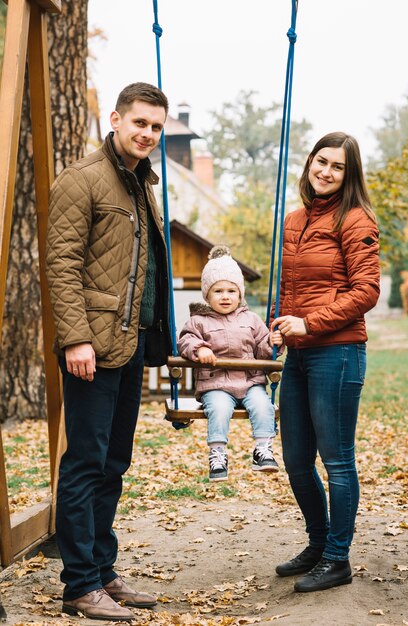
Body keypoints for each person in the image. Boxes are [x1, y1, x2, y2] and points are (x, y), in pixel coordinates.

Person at [46, 82, 172, 621]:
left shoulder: (142, 184)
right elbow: (62, 265)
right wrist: (75, 338)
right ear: (117, 120)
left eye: (156, 127)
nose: (147, 133)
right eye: (139, 122)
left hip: (130, 344)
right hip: (92, 346)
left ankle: (102, 569)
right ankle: (79, 584)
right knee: (85, 462)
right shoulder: (83, 180)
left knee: (114, 463)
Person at [271, 132, 380, 593]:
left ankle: (338, 558)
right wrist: (278, 326)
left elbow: (366, 291)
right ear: (310, 163)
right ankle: (319, 544)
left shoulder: (355, 221)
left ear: (348, 174)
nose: (326, 171)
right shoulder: (294, 220)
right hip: (298, 353)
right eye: (321, 161)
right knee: (296, 459)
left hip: (337, 352)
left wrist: (310, 323)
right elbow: (290, 289)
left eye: (337, 166)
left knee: (337, 461)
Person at [178, 245, 283, 482]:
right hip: (215, 384)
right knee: (219, 409)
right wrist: (200, 348)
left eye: (231, 291)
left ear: (240, 294)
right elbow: (185, 340)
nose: (225, 296)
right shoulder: (198, 320)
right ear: (207, 295)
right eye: (218, 291)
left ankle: (263, 450)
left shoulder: (252, 319)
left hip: (249, 382)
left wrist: (274, 343)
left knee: (263, 406)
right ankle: (218, 454)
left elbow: (264, 350)